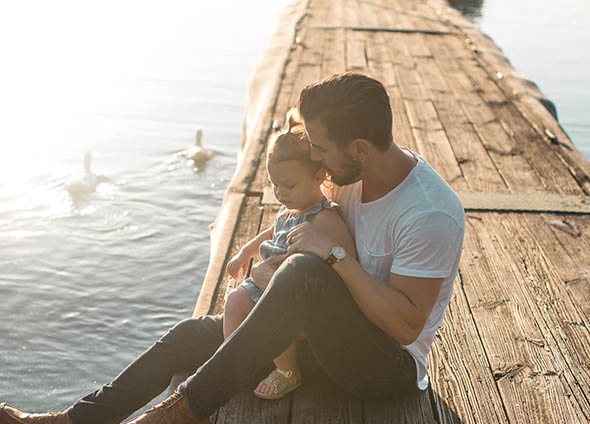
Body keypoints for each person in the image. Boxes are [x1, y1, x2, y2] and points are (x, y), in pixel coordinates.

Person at [0, 72, 465, 424]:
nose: (314, 157)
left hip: (381, 367)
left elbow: (405, 327)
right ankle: (73, 421)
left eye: (321, 147)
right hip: (318, 336)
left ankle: (180, 412)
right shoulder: (349, 177)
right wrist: (260, 242)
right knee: (189, 335)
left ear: (359, 147)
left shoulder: (429, 212)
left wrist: (334, 258)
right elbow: (304, 220)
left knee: (304, 273)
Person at [223, 109, 356, 400]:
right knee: (234, 301)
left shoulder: (324, 218)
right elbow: (271, 233)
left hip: (296, 296)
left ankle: (288, 371)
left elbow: (347, 258)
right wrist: (246, 251)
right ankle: (235, 362)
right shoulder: (290, 209)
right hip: (267, 280)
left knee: (271, 314)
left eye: (289, 185)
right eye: (275, 185)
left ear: (319, 175)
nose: (280, 193)